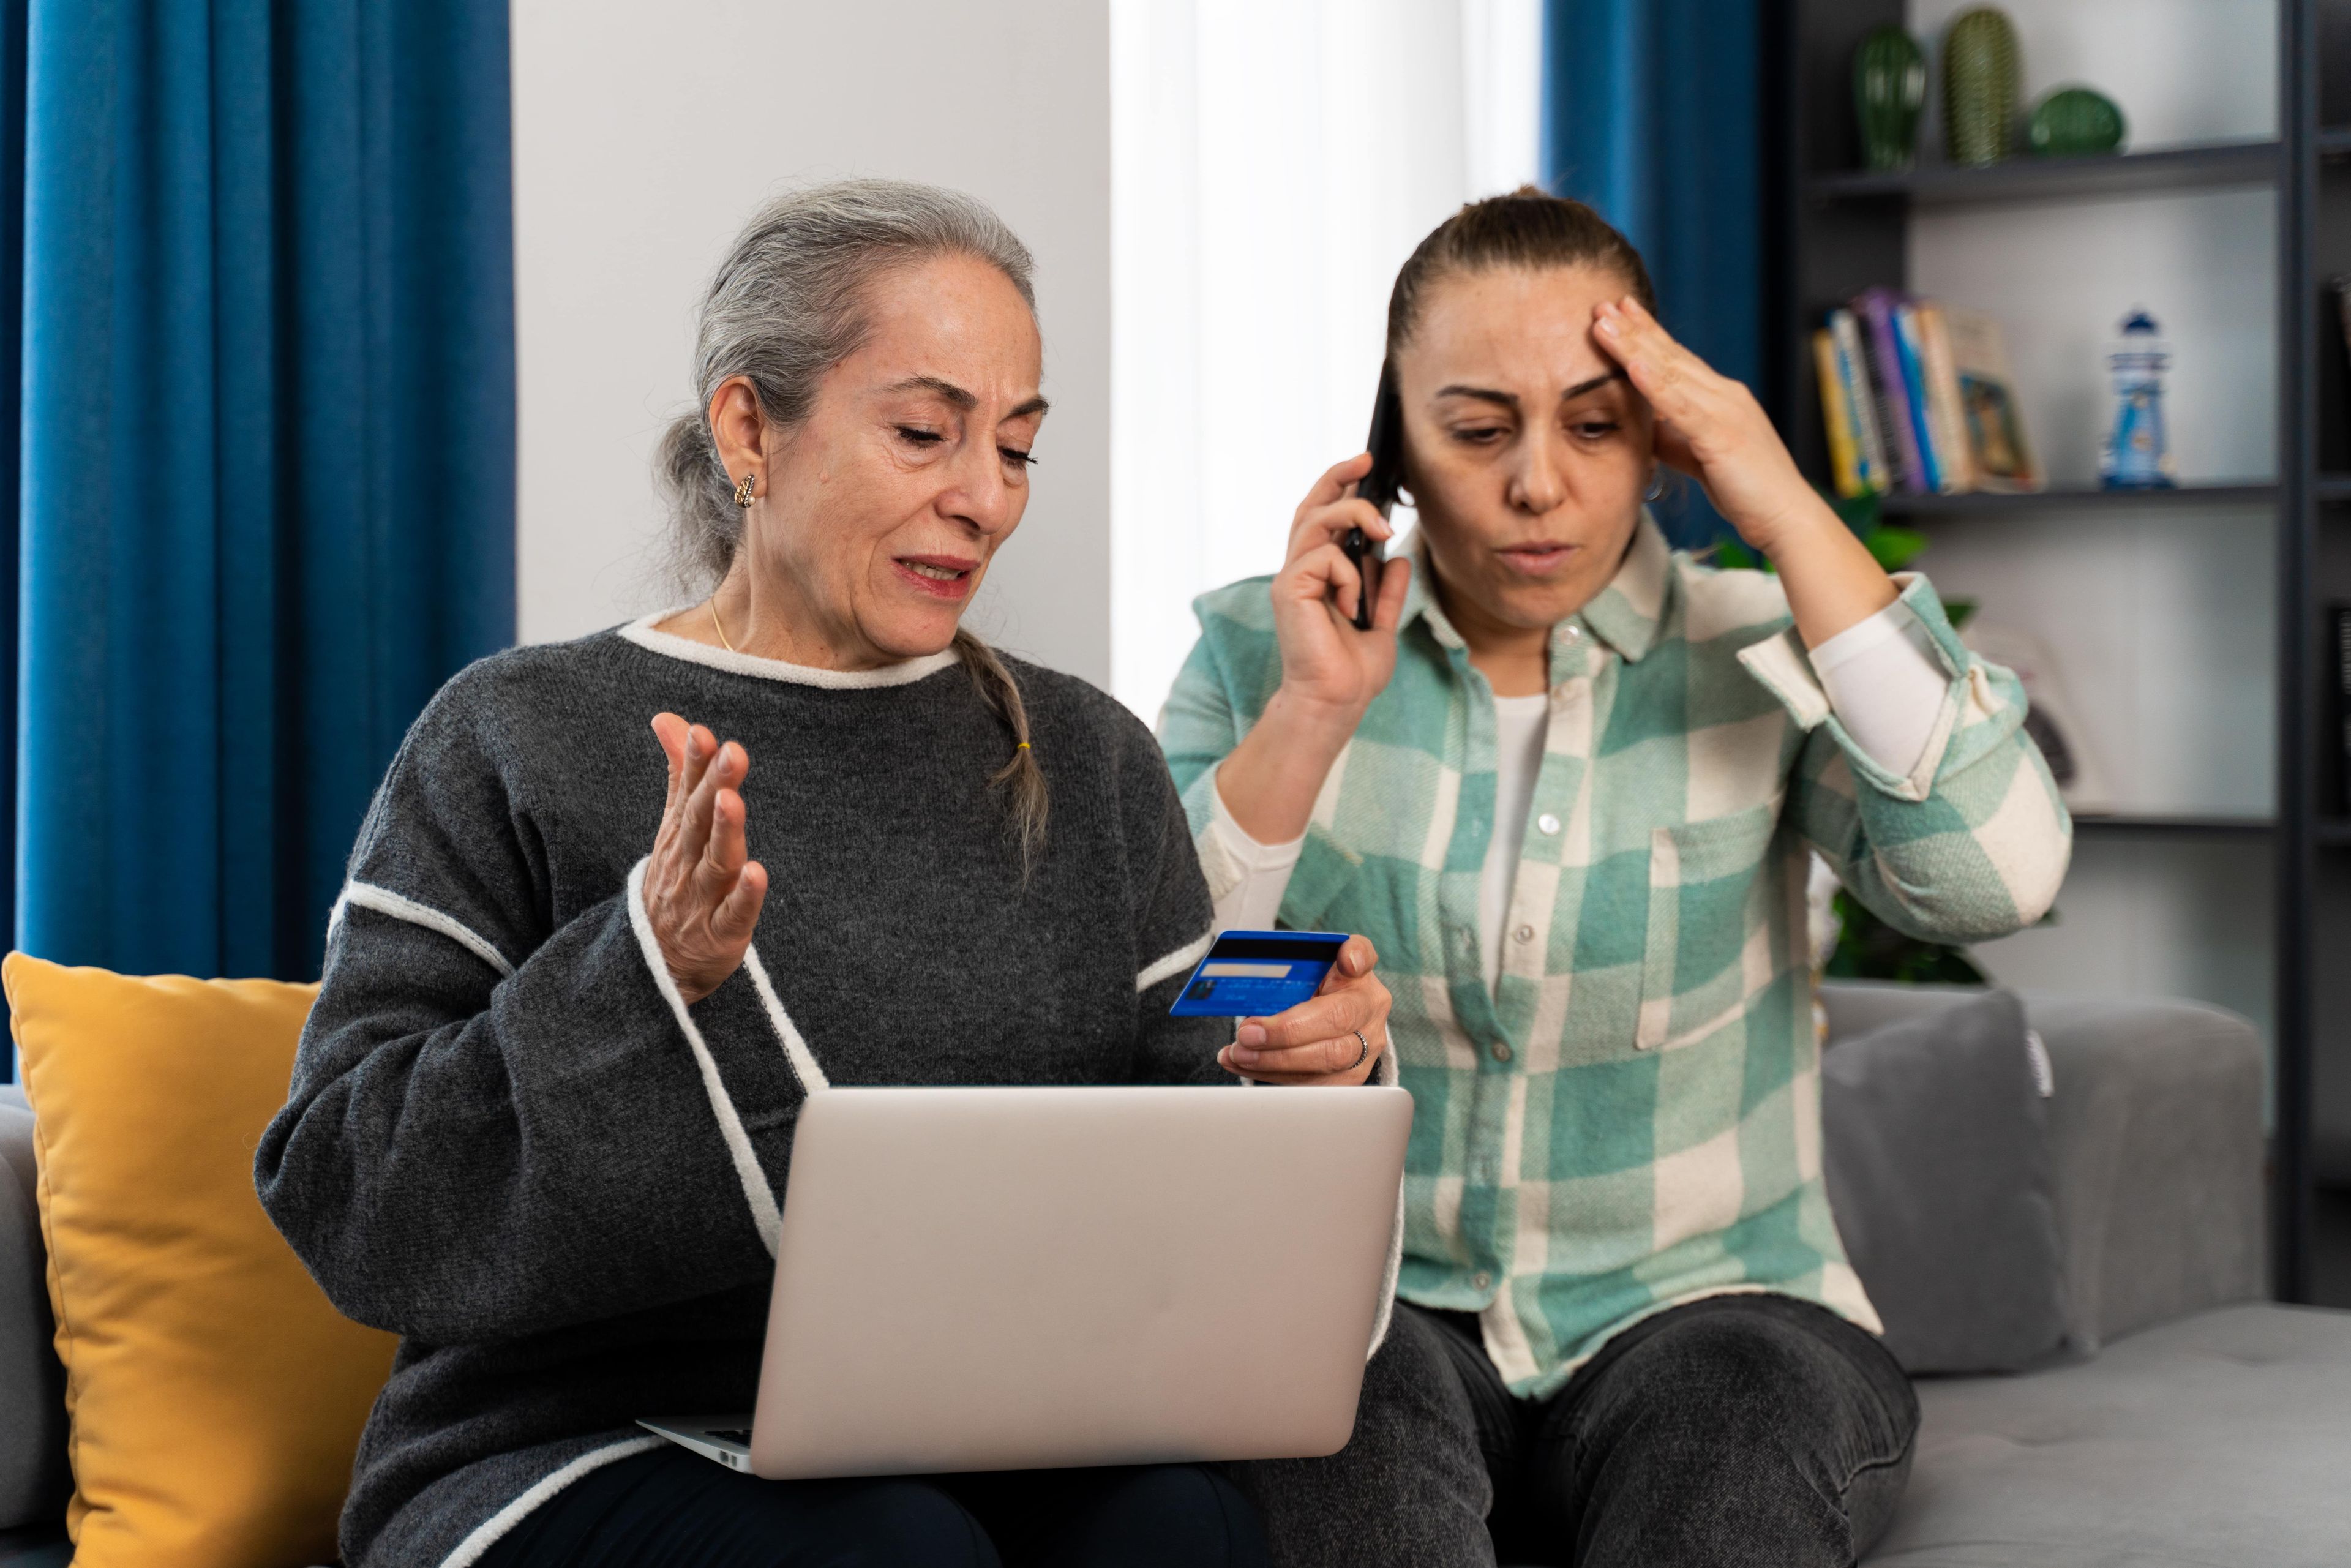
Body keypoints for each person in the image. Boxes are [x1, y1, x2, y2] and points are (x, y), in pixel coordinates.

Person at [255, 180, 1396, 1568]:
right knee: (891, 1554)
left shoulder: (1085, 757)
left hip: (995, 1435)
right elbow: (344, 1192)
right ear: (749, 429)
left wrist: (1307, 1076)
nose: (984, 498)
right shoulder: (513, 733)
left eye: (1019, 449)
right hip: (566, 1444)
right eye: (925, 432)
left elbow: (1183, 1150)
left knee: (1184, 1526)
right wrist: (639, 976)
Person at [1159, 189, 2071, 1567]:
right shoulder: (1259, 654)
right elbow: (1149, 1010)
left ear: (1660, 439)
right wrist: (1307, 720)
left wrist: (1780, 504)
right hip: (1379, 1300)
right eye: (1476, 430)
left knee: (1729, 1424)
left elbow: (2001, 874)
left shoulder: (1769, 647)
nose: (1539, 483)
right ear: (1391, 448)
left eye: (1595, 425)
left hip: (1719, 1307)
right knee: (1337, 1414)